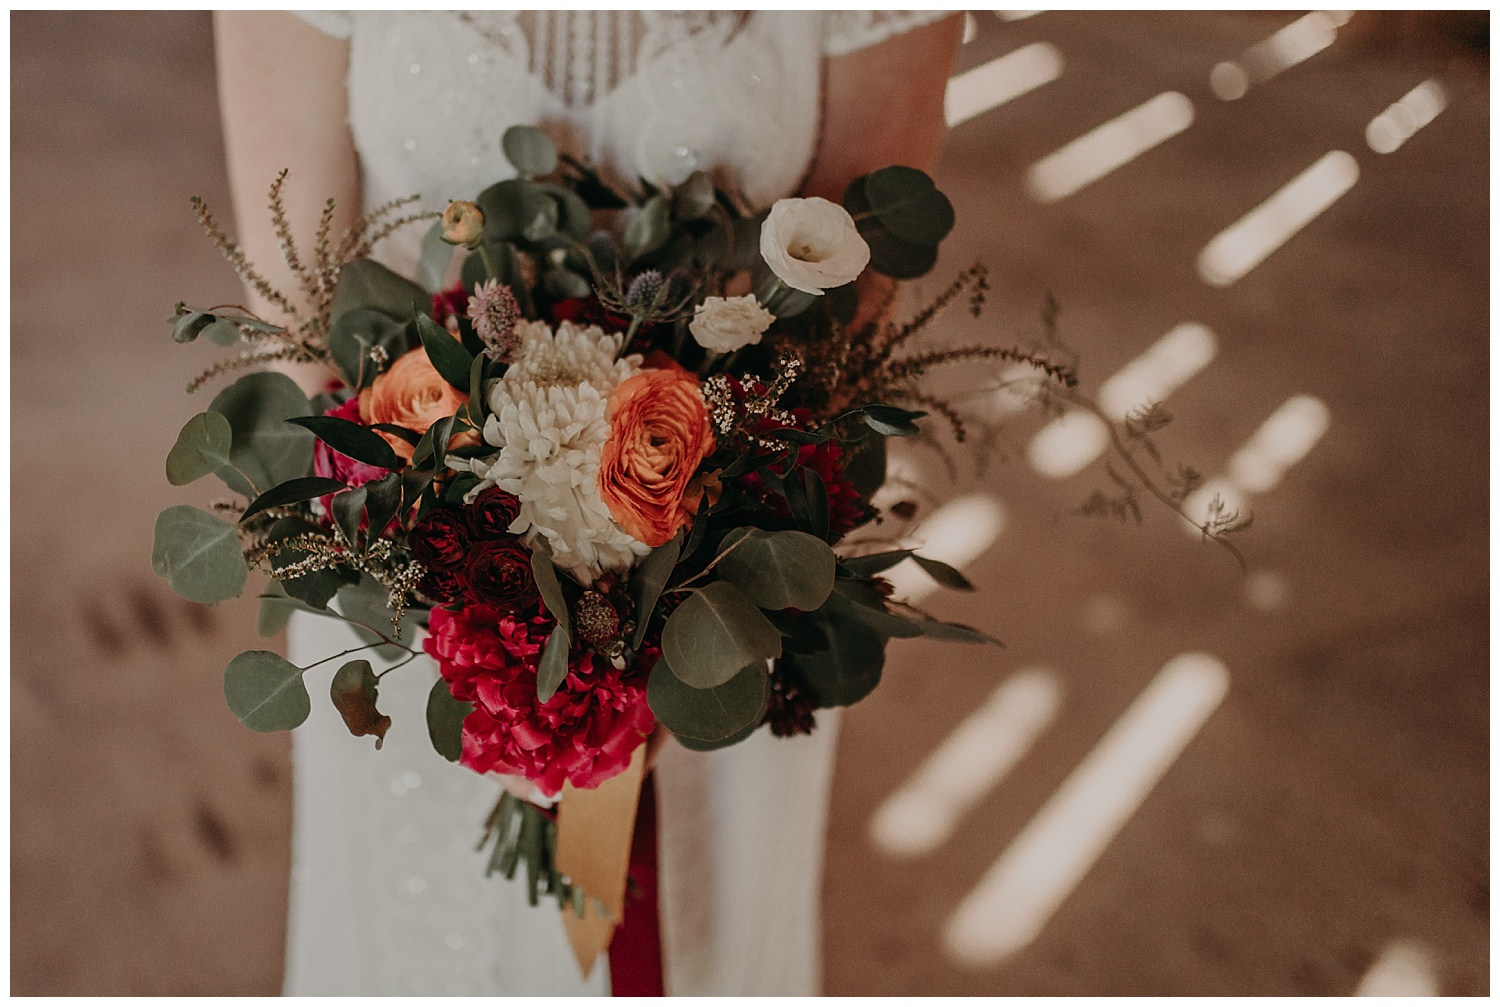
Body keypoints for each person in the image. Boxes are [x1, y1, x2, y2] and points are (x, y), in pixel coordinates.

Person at [213, 10, 962, 996]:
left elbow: (848, 285)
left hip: (722, 592)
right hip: (408, 599)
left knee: (707, 934)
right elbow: (299, 301)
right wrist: (450, 596)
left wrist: (652, 614)